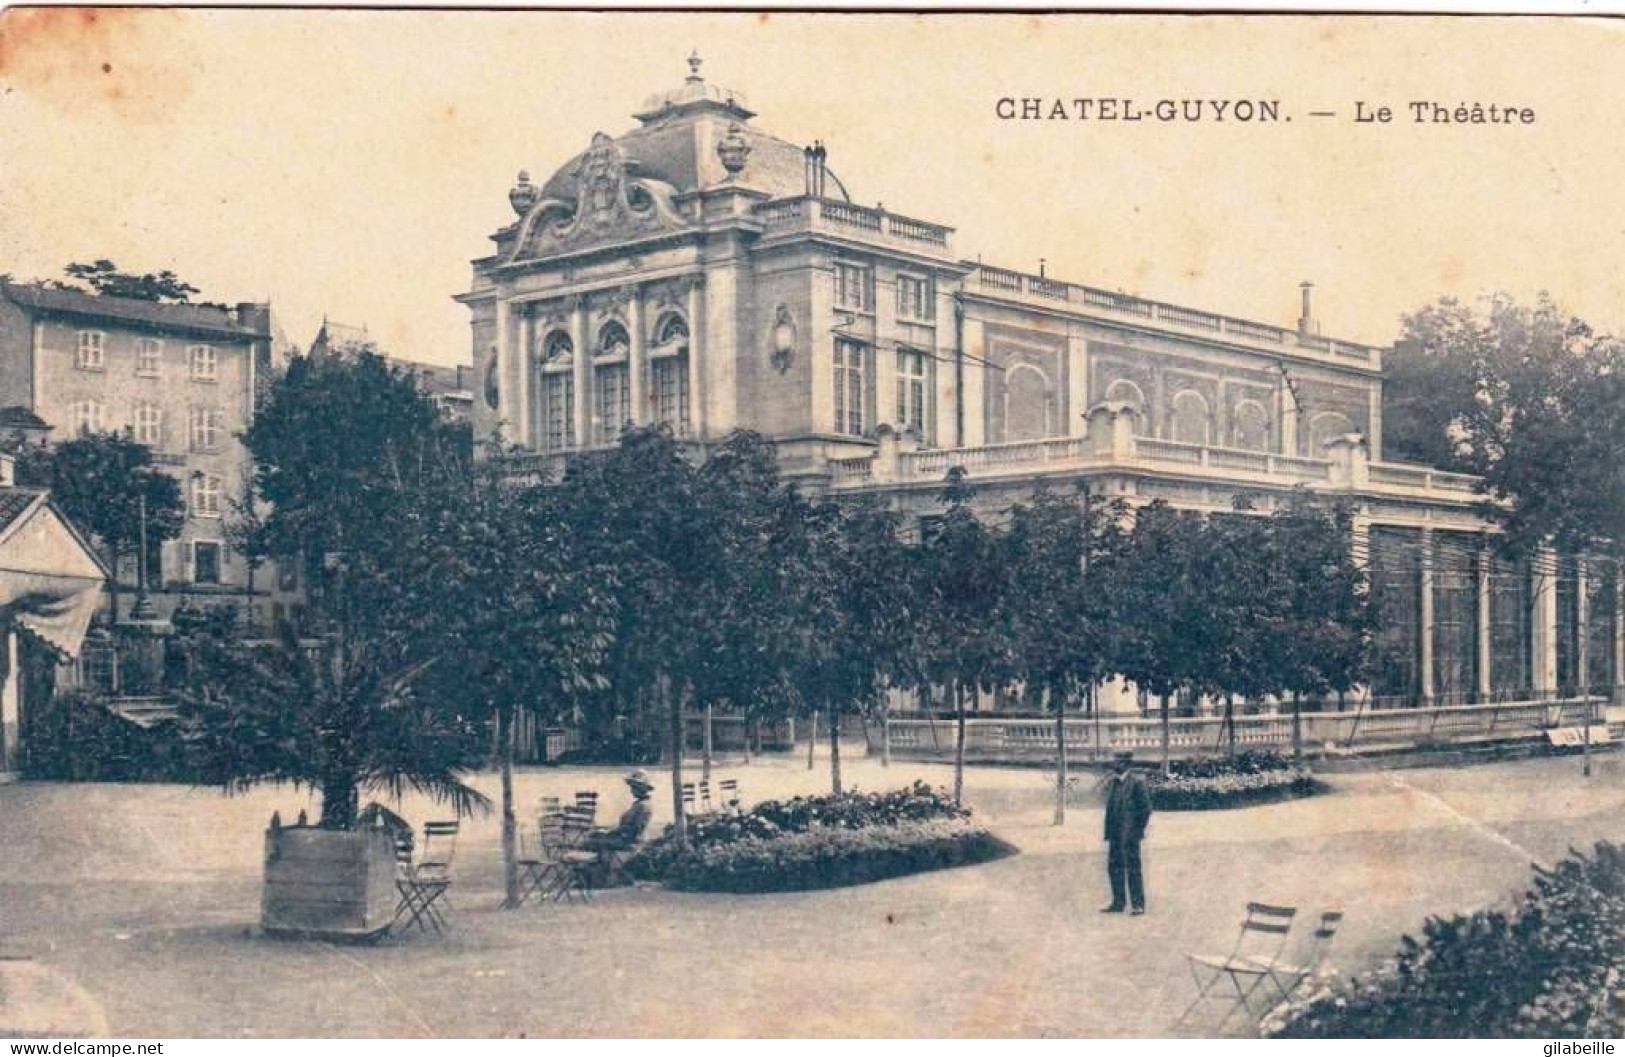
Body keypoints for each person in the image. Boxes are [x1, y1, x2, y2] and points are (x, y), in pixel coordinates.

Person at [1101, 751, 1153, 915]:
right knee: (1114, 868)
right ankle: (1118, 902)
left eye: (1117, 762)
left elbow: (1146, 809)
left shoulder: (1137, 782)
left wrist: (1137, 830)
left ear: (1125, 764)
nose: (1113, 764)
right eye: (1114, 761)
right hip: (1115, 834)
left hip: (1130, 835)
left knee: (1133, 868)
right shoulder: (1114, 782)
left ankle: (1138, 905)